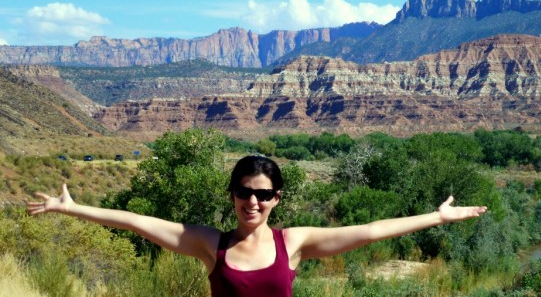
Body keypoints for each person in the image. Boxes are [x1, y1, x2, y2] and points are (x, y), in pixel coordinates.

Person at [27, 155, 487, 297]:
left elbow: (369, 230)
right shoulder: (211, 244)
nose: (253, 201)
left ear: (276, 198)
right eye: (245, 191)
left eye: (263, 194)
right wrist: (72, 209)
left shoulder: (296, 242)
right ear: (232, 194)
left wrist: (436, 217)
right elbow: (138, 223)